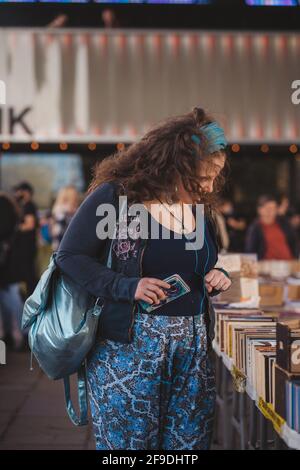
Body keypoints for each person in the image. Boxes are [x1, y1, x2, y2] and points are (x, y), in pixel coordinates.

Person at [56, 106, 232, 450]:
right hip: (127, 352)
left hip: (191, 350)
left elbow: (202, 261)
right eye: (203, 176)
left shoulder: (198, 207)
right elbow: (70, 256)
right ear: (174, 167)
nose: (210, 186)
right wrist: (128, 286)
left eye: (215, 176)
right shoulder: (117, 198)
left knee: (188, 446)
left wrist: (217, 273)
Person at [0, 192, 25, 350]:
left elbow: (3, 230)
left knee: (11, 299)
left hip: (7, 263)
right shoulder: (7, 203)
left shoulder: (3, 204)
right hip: (9, 261)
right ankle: (9, 336)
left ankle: (26, 335)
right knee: (7, 299)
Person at [245, 194, 298, 260]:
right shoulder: (255, 228)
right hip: (267, 266)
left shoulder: (284, 224)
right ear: (259, 210)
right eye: (267, 208)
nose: (270, 211)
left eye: (273, 208)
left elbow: (294, 243)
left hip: (290, 263)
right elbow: (250, 251)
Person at [13, 181, 39, 296]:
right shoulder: (24, 206)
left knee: (29, 274)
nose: (17, 193)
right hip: (25, 246)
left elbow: (30, 225)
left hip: (27, 247)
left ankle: (32, 296)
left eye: (20, 191)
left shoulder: (29, 206)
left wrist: (15, 228)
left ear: (27, 192)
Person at [50, 185, 80, 252]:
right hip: (64, 244)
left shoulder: (57, 208)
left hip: (60, 244)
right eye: (74, 194)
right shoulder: (63, 209)